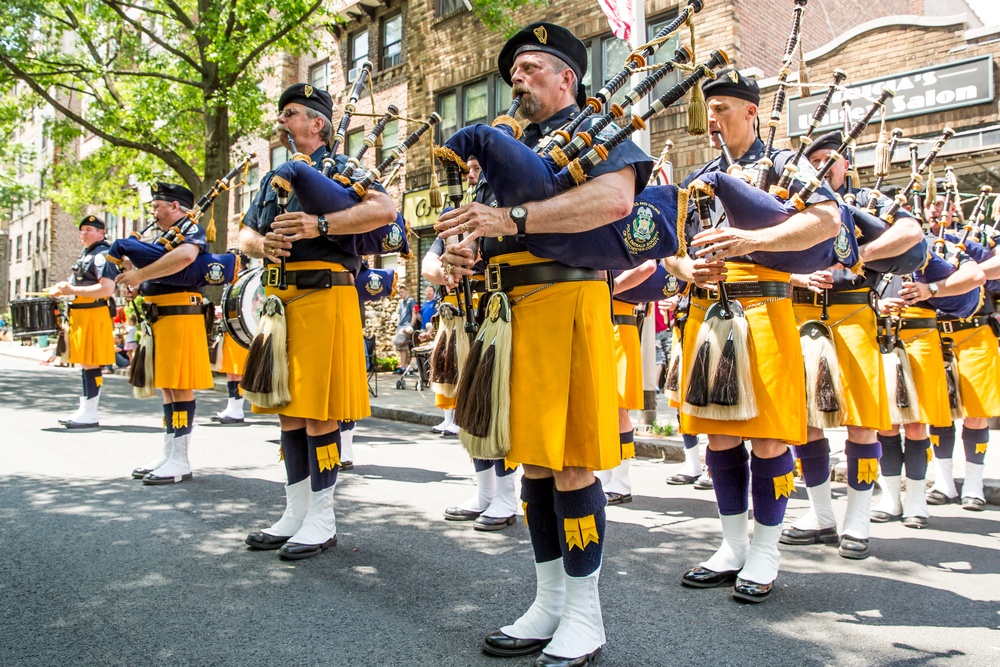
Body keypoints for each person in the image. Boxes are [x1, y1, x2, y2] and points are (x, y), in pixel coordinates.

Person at [437, 22, 651, 665]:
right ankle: (548, 602)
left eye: (531, 67)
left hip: (568, 301)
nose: (517, 79)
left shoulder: (599, 133)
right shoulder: (509, 150)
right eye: (513, 73)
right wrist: (465, 250)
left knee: (572, 461)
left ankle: (586, 615)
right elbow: (484, 228)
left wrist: (513, 218)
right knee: (531, 459)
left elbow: (615, 202)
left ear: (568, 77)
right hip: (508, 308)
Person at [665, 69, 841, 602]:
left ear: (751, 111)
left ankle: (766, 550)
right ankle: (732, 546)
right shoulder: (699, 176)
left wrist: (751, 238)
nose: (713, 119)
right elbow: (668, 245)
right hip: (708, 313)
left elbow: (828, 221)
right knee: (719, 434)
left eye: (722, 108)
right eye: (709, 109)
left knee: (767, 437)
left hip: (766, 309)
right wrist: (683, 269)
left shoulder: (787, 167)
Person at [240, 82, 396, 560]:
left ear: (317, 123)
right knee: (289, 407)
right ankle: (295, 511)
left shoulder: (344, 169)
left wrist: (320, 225)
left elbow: (384, 211)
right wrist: (261, 245)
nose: (281, 122)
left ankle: (322, 517)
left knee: (321, 409)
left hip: (328, 295)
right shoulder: (274, 179)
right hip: (280, 301)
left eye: (289, 113)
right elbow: (244, 232)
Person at [780, 130, 925, 559]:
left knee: (862, 419)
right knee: (806, 422)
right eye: (817, 158)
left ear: (847, 163)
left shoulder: (872, 202)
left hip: (853, 313)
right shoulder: (794, 203)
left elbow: (912, 234)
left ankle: (858, 519)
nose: (824, 165)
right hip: (801, 313)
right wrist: (795, 276)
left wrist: (858, 256)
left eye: (831, 158)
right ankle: (821, 514)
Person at [117, 183, 214, 485]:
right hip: (162, 316)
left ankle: (180, 459)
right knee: (169, 387)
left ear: (174, 206)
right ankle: (169, 451)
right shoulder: (164, 237)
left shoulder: (190, 229)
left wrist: (141, 274)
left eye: (157, 206)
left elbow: (185, 259)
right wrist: (140, 287)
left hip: (180, 314)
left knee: (180, 385)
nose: (153, 212)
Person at [922, 195, 999, 512]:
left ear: (956, 208)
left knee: (977, 411)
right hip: (934, 333)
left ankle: (974, 485)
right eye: (932, 204)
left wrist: (964, 274)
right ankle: (944, 481)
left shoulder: (975, 241)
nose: (937, 209)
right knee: (939, 411)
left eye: (944, 203)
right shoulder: (920, 241)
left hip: (976, 332)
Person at [53, 215, 118, 429]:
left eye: (90, 229)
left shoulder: (102, 255)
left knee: (92, 363)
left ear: (101, 233)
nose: (85, 233)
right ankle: (85, 409)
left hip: (93, 313)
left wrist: (71, 290)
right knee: (86, 363)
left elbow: (107, 289)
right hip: (82, 314)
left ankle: (90, 411)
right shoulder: (88, 254)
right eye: (82, 230)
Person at [392, 285, 416, 373]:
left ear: (407, 291)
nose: (400, 294)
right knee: (401, 348)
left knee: (395, 341)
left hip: (406, 327)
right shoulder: (402, 303)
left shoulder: (411, 301)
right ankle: (403, 367)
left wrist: (410, 326)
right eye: (399, 292)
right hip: (400, 326)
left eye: (402, 292)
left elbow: (414, 314)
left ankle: (409, 341)